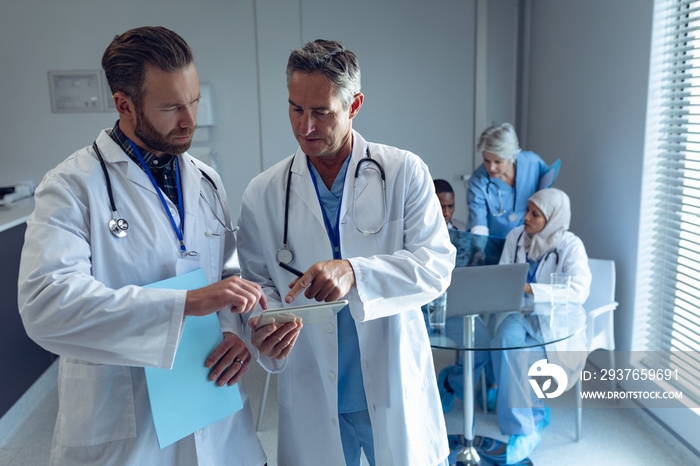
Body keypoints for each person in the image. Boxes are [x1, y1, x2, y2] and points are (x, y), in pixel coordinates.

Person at [17, 26, 270, 466]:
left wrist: (237, 330)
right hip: (126, 426)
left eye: (193, 101)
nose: (189, 119)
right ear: (124, 105)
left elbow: (230, 274)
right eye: (172, 107)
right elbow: (46, 308)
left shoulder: (206, 180)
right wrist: (184, 304)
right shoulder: (72, 186)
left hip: (213, 408)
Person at [237, 39, 456, 466]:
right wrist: (259, 328)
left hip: (391, 380)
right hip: (313, 381)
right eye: (296, 109)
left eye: (321, 111)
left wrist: (355, 271)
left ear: (354, 105)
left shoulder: (404, 172)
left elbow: (436, 265)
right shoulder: (263, 192)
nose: (305, 127)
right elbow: (257, 284)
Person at [485, 187, 591, 464]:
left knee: (522, 358)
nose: (526, 218)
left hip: (552, 322)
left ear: (553, 218)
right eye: (528, 211)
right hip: (516, 313)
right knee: (503, 343)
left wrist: (532, 288)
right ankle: (528, 422)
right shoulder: (516, 236)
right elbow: (502, 274)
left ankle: (527, 422)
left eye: (535, 214)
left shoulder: (570, 245)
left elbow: (579, 291)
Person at [467, 122, 549, 239]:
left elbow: (546, 197)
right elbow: (478, 221)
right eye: (486, 160)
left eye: (498, 162)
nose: (491, 168)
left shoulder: (532, 163)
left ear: (512, 156)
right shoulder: (478, 181)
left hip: (530, 239)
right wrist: (479, 248)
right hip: (494, 243)